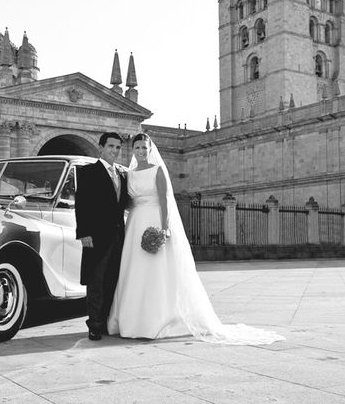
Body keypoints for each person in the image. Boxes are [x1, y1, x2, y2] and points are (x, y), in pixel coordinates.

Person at [107, 133, 284, 344]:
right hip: (135, 222)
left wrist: (164, 229)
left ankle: (158, 319)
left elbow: (165, 201)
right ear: (133, 150)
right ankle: (131, 318)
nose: (141, 151)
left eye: (145, 148)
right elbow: (128, 202)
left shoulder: (158, 170)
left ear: (150, 150)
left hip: (155, 219)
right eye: (137, 148)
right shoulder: (129, 174)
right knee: (133, 269)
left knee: (157, 270)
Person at [75, 132, 129, 341]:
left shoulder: (123, 175)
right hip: (95, 236)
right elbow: (82, 204)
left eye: (118, 147)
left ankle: (106, 322)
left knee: (112, 281)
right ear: (101, 147)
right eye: (111, 147)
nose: (114, 151)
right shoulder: (89, 171)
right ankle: (94, 325)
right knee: (95, 281)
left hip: (118, 236)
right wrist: (84, 233)